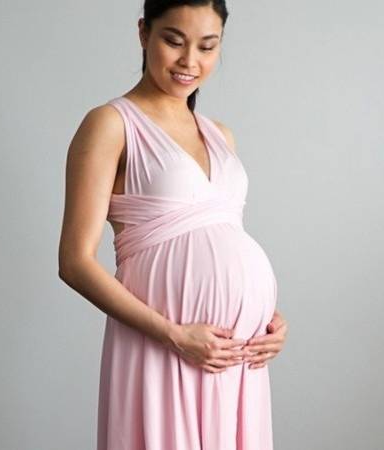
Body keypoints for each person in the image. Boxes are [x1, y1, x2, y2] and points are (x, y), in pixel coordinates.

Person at [58, 1, 289, 448]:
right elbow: (74, 262)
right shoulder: (110, 124)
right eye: (173, 41)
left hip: (234, 360)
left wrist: (265, 318)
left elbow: (222, 238)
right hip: (165, 346)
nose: (190, 62)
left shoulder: (220, 134)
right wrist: (175, 335)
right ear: (144, 33)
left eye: (208, 46)